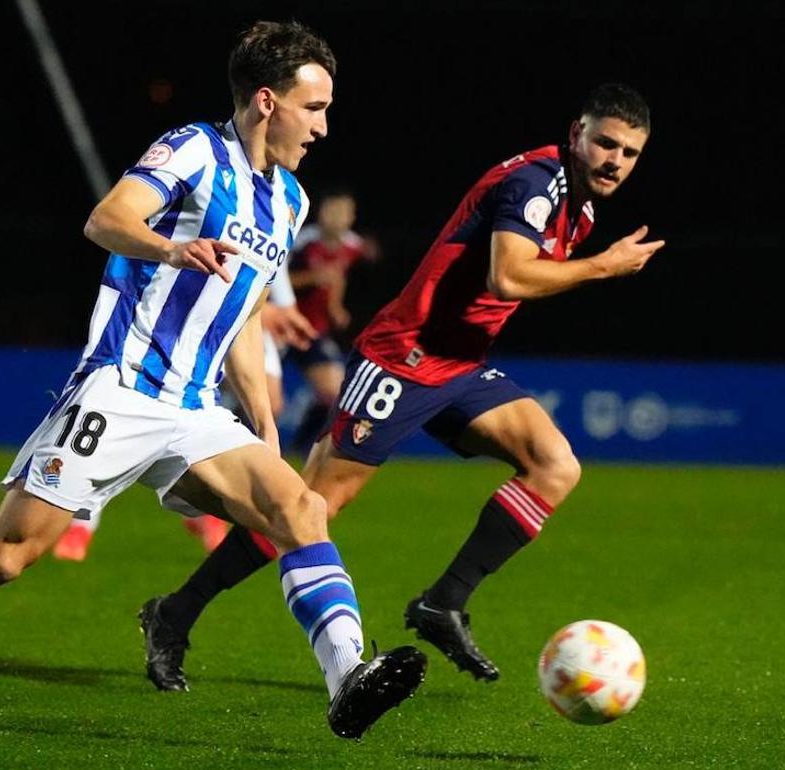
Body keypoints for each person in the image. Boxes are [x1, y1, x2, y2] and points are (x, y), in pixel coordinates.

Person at [0, 21, 424, 740]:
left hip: (195, 410)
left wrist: (264, 421)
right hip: (120, 391)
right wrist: (170, 248)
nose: (324, 127)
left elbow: (241, 312)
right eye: (315, 108)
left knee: (300, 511)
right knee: (3, 556)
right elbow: (107, 218)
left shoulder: (290, 203)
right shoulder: (193, 151)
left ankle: (348, 681)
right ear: (269, 102)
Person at [139, 83, 662, 689]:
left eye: (628, 153)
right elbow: (509, 275)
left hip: (460, 364)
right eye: (605, 143)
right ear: (577, 133)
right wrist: (605, 266)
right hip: (404, 359)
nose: (613, 161)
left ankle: (443, 603)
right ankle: (174, 613)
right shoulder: (538, 183)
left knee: (554, 465)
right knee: (308, 504)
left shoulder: (582, 203)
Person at [50, 259, 314, 560]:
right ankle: (82, 522)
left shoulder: (287, 214)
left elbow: (271, 260)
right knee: (122, 432)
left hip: (233, 316)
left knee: (266, 400)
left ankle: (201, 507)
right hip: (173, 322)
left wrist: (282, 306)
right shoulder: (193, 219)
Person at [285, 189, 378, 453]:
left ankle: (298, 448)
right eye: (332, 211)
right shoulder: (302, 242)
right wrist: (312, 278)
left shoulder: (352, 246)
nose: (338, 218)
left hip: (312, 330)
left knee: (334, 391)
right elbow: (272, 280)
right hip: (278, 327)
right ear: (321, 213)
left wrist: (336, 307)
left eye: (344, 212)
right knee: (263, 398)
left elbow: (338, 276)